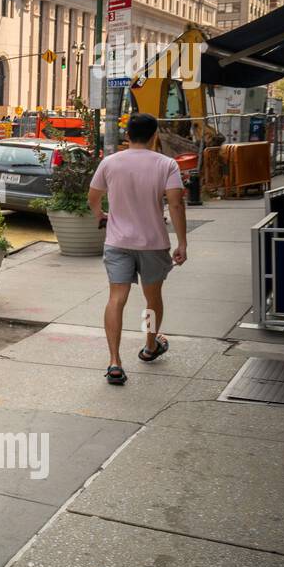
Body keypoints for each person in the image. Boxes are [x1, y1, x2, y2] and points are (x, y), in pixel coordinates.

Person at [88, 112, 188, 386]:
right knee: (152, 298)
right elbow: (176, 204)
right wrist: (182, 242)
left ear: (127, 135)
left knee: (116, 298)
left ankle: (114, 362)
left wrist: (101, 216)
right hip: (153, 243)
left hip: (118, 242)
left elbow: (93, 196)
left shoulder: (110, 163)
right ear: (155, 135)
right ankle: (149, 345)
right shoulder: (167, 164)